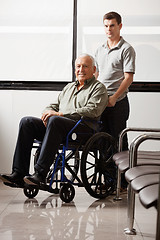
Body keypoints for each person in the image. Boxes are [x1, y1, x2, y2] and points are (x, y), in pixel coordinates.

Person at [0, 54, 108, 187]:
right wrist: (46, 114)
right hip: (57, 127)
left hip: (83, 130)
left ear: (93, 69)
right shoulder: (69, 87)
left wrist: (61, 114)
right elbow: (54, 105)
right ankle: (18, 173)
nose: (81, 69)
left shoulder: (99, 88)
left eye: (85, 66)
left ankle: (40, 174)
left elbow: (93, 110)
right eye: (78, 66)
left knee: (56, 120)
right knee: (27, 122)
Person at [95, 11, 136, 151]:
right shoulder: (100, 49)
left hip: (118, 102)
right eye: (106, 26)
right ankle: (107, 174)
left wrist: (114, 97)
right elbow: (97, 74)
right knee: (102, 141)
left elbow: (128, 77)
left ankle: (121, 174)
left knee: (119, 142)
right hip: (101, 101)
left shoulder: (126, 49)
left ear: (120, 26)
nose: (109, 29)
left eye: (112, 25)